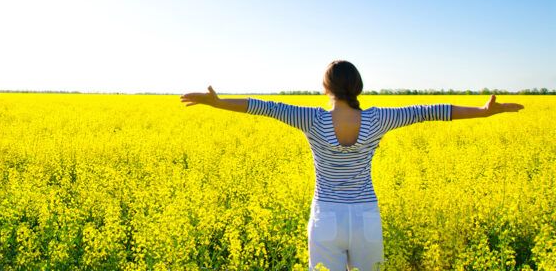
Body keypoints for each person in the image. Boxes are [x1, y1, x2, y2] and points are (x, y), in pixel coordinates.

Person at [179, 60, 524, 271]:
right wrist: (481, 112)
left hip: (325, 216)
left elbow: (263, 106)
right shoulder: (379, 119)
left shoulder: (310, 118)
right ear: (357, 87)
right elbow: (430, 110)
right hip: (366, 217)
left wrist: (219, 103)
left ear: (325, 88)